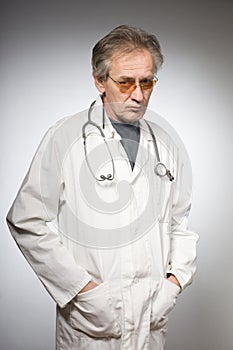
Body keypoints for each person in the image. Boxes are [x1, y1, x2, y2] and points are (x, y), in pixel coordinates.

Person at [6, 25, 198, 350]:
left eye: (147, 82)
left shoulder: (165, 144)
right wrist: (83, 289)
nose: (138, 95)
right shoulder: (65, 138)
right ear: (99, 81)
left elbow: (180, 222)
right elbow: (26, 221)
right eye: (125, 82)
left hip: (151, 316)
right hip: (92, 322)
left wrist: (174, 282)